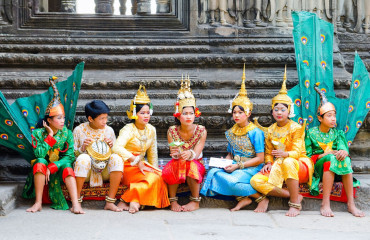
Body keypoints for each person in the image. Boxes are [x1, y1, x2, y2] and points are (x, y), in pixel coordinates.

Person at [200, 66, 268, 212]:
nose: (236, 115)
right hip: (235, 164)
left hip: (251, 167)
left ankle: (261, 199)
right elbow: (230, 153)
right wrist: (224, 162)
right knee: (214, 173)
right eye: (234, 112)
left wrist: (238, 166)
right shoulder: (231, 131)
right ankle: (243, 198)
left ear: (248, 113)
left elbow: (260, 158)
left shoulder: (255, 132)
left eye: (240, 112)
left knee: (231, 180)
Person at [251, 66, 313, 217]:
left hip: (300, 164)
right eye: (276, 109)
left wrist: (285, 154)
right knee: (256, 181)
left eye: (282, 109)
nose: (279, 112)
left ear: (289, 111)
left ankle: (294, 204)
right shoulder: (271, 129)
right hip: (277, 164)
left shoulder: (296, 127)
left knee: (288, 162)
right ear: (272, 111)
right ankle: (290, 194)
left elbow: (298, 152)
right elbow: (268, 152)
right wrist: (268, 162)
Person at [25, 77, 84, 214]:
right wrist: (50, 136)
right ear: (49, 120)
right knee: (39, 162)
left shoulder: (67, 133)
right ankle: (38, 202)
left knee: (68, 167)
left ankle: (76, 204)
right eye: (59, 118)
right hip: (42, 167)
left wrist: (54, 166)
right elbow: (39, 154)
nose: (63, 121)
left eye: (63, 117)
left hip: (59, 166)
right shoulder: (38, 133)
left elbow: (69, 156)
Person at [305, 84, 365, 217]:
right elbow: (307, 156)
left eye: (334, 115)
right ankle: (325, 204)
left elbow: (343, 148)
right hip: (318, 168)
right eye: (329, 116)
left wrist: (343, 152)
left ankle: (351, 204)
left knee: (345, 158)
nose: (333, 119)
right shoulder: (311, 133)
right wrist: (324, 155)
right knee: (331, 158)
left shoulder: (338, 134)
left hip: (336, 167)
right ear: (320, 118)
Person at [112, 85, 170, 213]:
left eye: (148, 113)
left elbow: (153, 153)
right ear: (134, 114)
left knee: (159, 176)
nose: (146, 116)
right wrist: (135, 159)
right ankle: (133, 201)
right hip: (127, 165)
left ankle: (131, 201)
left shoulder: (151, 129)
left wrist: (154, 169)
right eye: (142, 113)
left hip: (142, 164)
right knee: (153, 178)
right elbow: (116, 147)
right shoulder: (128, 129)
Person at [162, 75, 207, 212]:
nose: (188, 117)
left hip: (195, 162)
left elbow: (197, 153)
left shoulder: (201, 131)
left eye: (191, 113)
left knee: (191, 165)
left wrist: (190, 153)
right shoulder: (172, 131)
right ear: (178, 115)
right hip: (179, 161)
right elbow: (175, 152)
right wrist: (176, 154)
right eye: (185, 113)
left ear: (195, 114)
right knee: (176, 165)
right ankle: (173, 201)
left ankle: (195, 201)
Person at [73, 100, 124, 211]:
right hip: (86, 172)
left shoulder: (109, 131)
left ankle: (110, 201)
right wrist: (82, 149)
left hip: (104, 171)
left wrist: (111, 147)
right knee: (83, 158)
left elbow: (116, 153)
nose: (105, 121)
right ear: (90, 119)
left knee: (117, 159)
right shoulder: (79, 130)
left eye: (106, 118)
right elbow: (71, 155)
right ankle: (76, 202)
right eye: (101, 118)